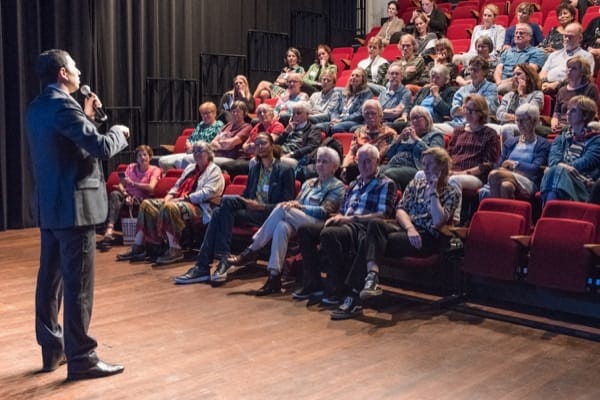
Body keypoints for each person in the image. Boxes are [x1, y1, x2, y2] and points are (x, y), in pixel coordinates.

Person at [25, 49, 129, 380]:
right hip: (75, 208)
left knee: (50, 280)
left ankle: (53, 347)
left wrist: (92, 118)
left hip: (51, 207)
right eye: (75, 67)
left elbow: (72, 147)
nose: (80, 72)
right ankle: (82, 357)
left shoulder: (38, 106)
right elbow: (98, 148)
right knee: (78, 285)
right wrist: (119, 134)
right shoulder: (62, 104)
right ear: (63, 74)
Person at [330, 147, 461, 320]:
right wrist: (410, 228)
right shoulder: (416, 184)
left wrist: (433, 193)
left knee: (369, 241)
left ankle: (355, 294)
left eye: (430, 164)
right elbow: (401, 209)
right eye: (424, 164)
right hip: (407, 230)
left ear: (442, 167)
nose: (425, 168)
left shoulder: (452, 191)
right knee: (375, 225)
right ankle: (371, 278)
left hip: (428, 238)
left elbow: (438, 221)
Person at [174, 133, 295, 285]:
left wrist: (262, 206)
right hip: (250, 209)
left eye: (263, 143)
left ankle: (205, 266)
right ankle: (219, 260)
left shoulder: (284, 170)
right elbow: (247, 193)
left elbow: (286, 204)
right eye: (256, 144)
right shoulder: (255, 168)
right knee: (222, 208)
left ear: (272, 145)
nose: (260, 146)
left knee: (220, 211)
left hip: (269, 214)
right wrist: (244, 200)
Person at [227, 147, 345, 296]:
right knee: (281, 227)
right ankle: (274, 277)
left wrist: (299, 206)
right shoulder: (309, 183)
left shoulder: (337, 186)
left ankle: (251, 249)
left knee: (283, 209)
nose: (320, 164)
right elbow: (295, 203)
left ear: (334, 166)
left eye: (325, 162)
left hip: (318, 223)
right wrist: (294, 204)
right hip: (299, 220)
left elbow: (325, 211)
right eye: (318, 161)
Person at [292, 144, 397, 304]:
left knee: (329, 234)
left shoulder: (385, 183)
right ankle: (313, 283)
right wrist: (336, 217)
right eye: (361, 161)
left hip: (362, 227)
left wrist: (348, 219)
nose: (364, 165)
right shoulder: (355, 183)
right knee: (306, 230)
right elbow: (342, 210)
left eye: (369, 161)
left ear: (377, 162)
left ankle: (337, 287)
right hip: (344, 223)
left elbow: (383, 215)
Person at [117, 141, 225, 265]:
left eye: (200, 151)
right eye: (194, 151)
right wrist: (168, 196)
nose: (196, 154)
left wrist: (184, 198)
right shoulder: (190, 168)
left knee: (169, 207)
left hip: (200, 206)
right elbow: (177, 185)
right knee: (147, 204)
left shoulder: (214, 171)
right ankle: (141, 246)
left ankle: (175, 249)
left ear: (209, 153)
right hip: (179, 200)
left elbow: (208, 192)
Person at [99, 145, 162, 250]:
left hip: (142, 199)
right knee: (115, 194)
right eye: (139, 155)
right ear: (136, 158)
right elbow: (121, 184)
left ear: (150, 157)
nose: (142, 158)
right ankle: (110, 228)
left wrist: (132, 183)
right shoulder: (131, 167)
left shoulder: (155, 170)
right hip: (128, 196)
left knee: (139, 200)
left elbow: (151, 188)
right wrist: (125, 194)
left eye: (145, 155)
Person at [482, 104, 550, 200]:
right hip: (506, 177)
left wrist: (514, 164)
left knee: (494, 174)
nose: (520, 123)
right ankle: (504, 214)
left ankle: (493, 209)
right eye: (517, 120)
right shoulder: (511, 142)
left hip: (529, 181)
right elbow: (498, 165)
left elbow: (534, 169)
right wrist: (506, 169)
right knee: (506, 186)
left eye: (524, 120)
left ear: (534, 121)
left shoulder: (543, 144)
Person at [541, 95, 600, 203]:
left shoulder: (596, 140)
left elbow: (586, 162)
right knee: (555, 175)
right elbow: (553, 160)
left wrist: (561, 167)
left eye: (573, 110)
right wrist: (562, 168)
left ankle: (548, 216)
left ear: (585, 115)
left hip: (582, 185)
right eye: (568, 109)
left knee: (554, 172)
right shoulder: (561, 138)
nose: (567, 113)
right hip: (559, 179)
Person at [382, 106, 445, 190]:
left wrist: (416, 139)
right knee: (374, 172)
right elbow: (389, 154)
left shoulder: (435, 135)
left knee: (388, 174)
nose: (414, 121)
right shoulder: (407, 136)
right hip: (394, 165)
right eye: (412, 119)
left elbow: (435, 156)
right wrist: (399, 139)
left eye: (417, 118)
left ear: (427, 119)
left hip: (416, 168)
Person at [435, 56, 498, 134]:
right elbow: (454, 111)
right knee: (432, 128)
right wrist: (472, 110)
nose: (472, 73)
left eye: (475, 70)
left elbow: (488, 108)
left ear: (484, 72)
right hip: (457, 125)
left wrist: (465, 109)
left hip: (479, 126)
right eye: (470, 70)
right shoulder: (462, 90)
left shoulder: (491, 88)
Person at [219, 103, 284, 177]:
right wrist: (248, 147)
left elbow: (270, 141)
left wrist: (253, 146)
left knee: (229, 167)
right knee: (227, 166)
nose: (262, 114)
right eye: (259, 113)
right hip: (248, 156)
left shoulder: (277, 125)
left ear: (271, 114)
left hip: (262, 158)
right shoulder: (257, 126)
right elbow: (245, 145)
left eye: (264, 111)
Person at [340, 100, 397, 184]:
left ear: (380, 115)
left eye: (373, 113)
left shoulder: (389, 133)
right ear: (363, 115)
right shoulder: (358, 132)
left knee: (354, 168)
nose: (370, 116)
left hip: (376, 166)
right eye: (367, 113)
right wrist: (344, 167)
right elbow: (351, 152)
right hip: (357, 165)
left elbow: (380, 155)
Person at [158, 101, 223, 170]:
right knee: (163, 161)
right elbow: (190, 138)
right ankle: (174, 178)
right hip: (191, 152)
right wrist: (188, 144)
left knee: (183, 160)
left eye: (207, 113)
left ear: (214, 113)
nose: (205, 116)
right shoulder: (201, 125)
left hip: (204, 154)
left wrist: (196, 149)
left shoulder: (218, 125)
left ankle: (189, 179)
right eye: (202, 114)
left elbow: (213, 144)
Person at [540, 23, 595, 95]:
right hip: (546, 86)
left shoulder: (586, 56)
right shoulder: (554, 54)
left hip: (570, 90)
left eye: (570, 36)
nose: (566, 39)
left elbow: (586, 78)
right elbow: (543, 72)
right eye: (565, 36)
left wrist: (557, 84)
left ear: (580, 38)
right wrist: (544, 83)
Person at [551, 56, 600, 134]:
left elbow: (592, 116)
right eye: (568, 67)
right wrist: (554, 124)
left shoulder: (591, 88)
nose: (569, 70)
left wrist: (568, 126)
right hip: (560, 126)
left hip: (579, 127)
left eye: (574, 68)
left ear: (582, 72)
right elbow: (556, 114)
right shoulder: (562, 90)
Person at [493, 64, 544, 136]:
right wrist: (516, 118)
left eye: (518, 74)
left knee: (506, 129)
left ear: (529, 76)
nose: (515, 77)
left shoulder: (537, 94)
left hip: (526, 128)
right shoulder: (509, 95)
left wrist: (521, 94)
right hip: (505, 127)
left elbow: (528, 114)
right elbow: (499, 114)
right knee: (487, 127)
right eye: (513, 75)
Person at [495, 23, 546, 95]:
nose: (518, 35)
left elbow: (528, 72)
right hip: (501, 82)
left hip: (519, 83)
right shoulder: (507, 52)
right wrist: (498, 81)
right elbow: (498, 69)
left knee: (498, 89)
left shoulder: (537, 52)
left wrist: (503, 82)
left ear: (529, 37)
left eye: (521, 33)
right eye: (516, 33)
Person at [274, 100, 323, 170]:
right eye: (293, 113)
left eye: (298, 113)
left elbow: (311, 147)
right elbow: (276, 144)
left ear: (307, 114)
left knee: (277, 162)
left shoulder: (313, 129)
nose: (295, 116)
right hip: (280, 153)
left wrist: (292, 154)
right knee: (256, 159)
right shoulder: (290, 127)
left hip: (296, 159)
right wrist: (285, 132)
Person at [329, 68, 373, 133]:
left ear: (363, 80)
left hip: (354, 121)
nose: (353, 77)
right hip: (338, 119)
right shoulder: (343, 92)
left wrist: (341, 120)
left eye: (357, 76)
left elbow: (360, 114)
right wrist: (334, 119)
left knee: (336, 127)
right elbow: (335, 110)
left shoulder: (367, 94)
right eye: (352, 75)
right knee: (319, 126)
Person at [211, 101, 252, 167]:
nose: (235, 114)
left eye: (238, 112)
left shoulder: (247, 127)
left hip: (232, 158)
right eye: (233, 111)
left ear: (244, 113)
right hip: (218, 155)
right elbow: (213, 142)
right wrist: (223, 145)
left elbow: (231, 143)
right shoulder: (227, 125)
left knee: (203, 161)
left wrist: (218, 144)